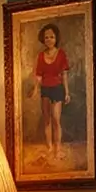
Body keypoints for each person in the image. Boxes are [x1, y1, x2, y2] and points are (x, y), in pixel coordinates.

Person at [30, 23, 70, 158]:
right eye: (46, 37)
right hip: (45, 90)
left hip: (57, 89)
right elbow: (39, 76)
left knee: (56, 119)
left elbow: (64, 74)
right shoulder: (41, 56)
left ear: (56, 38)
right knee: (47, 120)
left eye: (51, 37)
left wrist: (67, 92)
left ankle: (58, 149)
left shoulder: (61, 54)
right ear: (43, 39)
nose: (49, 40)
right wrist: (35, 89)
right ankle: (49, 148)